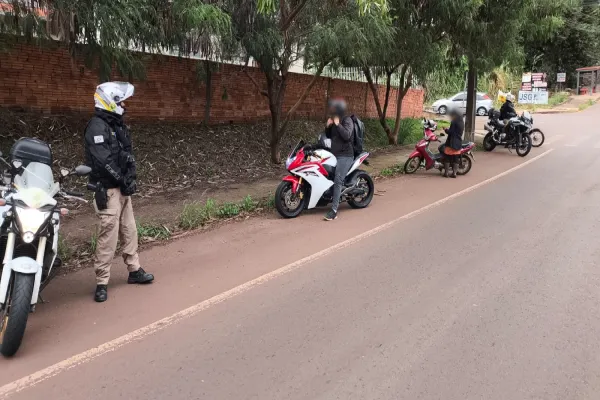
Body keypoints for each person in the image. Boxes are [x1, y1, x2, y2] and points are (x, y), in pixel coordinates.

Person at [84, 82, 154, 303]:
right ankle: (102, 282)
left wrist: (130, 179)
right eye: (121, 101)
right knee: (108, 237)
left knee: (129, 230)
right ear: (110, 101)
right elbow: (103, 162)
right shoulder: (97, 127)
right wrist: (122, 179)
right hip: (108, 191)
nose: (124, 105)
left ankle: (134, 270)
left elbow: (126, 155)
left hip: (122, 189)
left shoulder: (116, 125)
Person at [324, 97, 354, 221]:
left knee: (337, 179)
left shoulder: (347, 120)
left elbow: (347, 135)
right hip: (334, 155)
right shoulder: (334, 119)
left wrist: (337, 124)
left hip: (345, 155)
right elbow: (329, 136)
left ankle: (334, 211)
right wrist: (328, 126)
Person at [442, 108, 464, 178]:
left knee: (447, 157)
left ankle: (446, 173)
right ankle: (454, 173)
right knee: (455, 158)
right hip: (458, 141)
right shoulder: (461, 122)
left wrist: (445, 129)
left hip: (451, 142)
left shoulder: (454, 121)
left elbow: (451, 132)